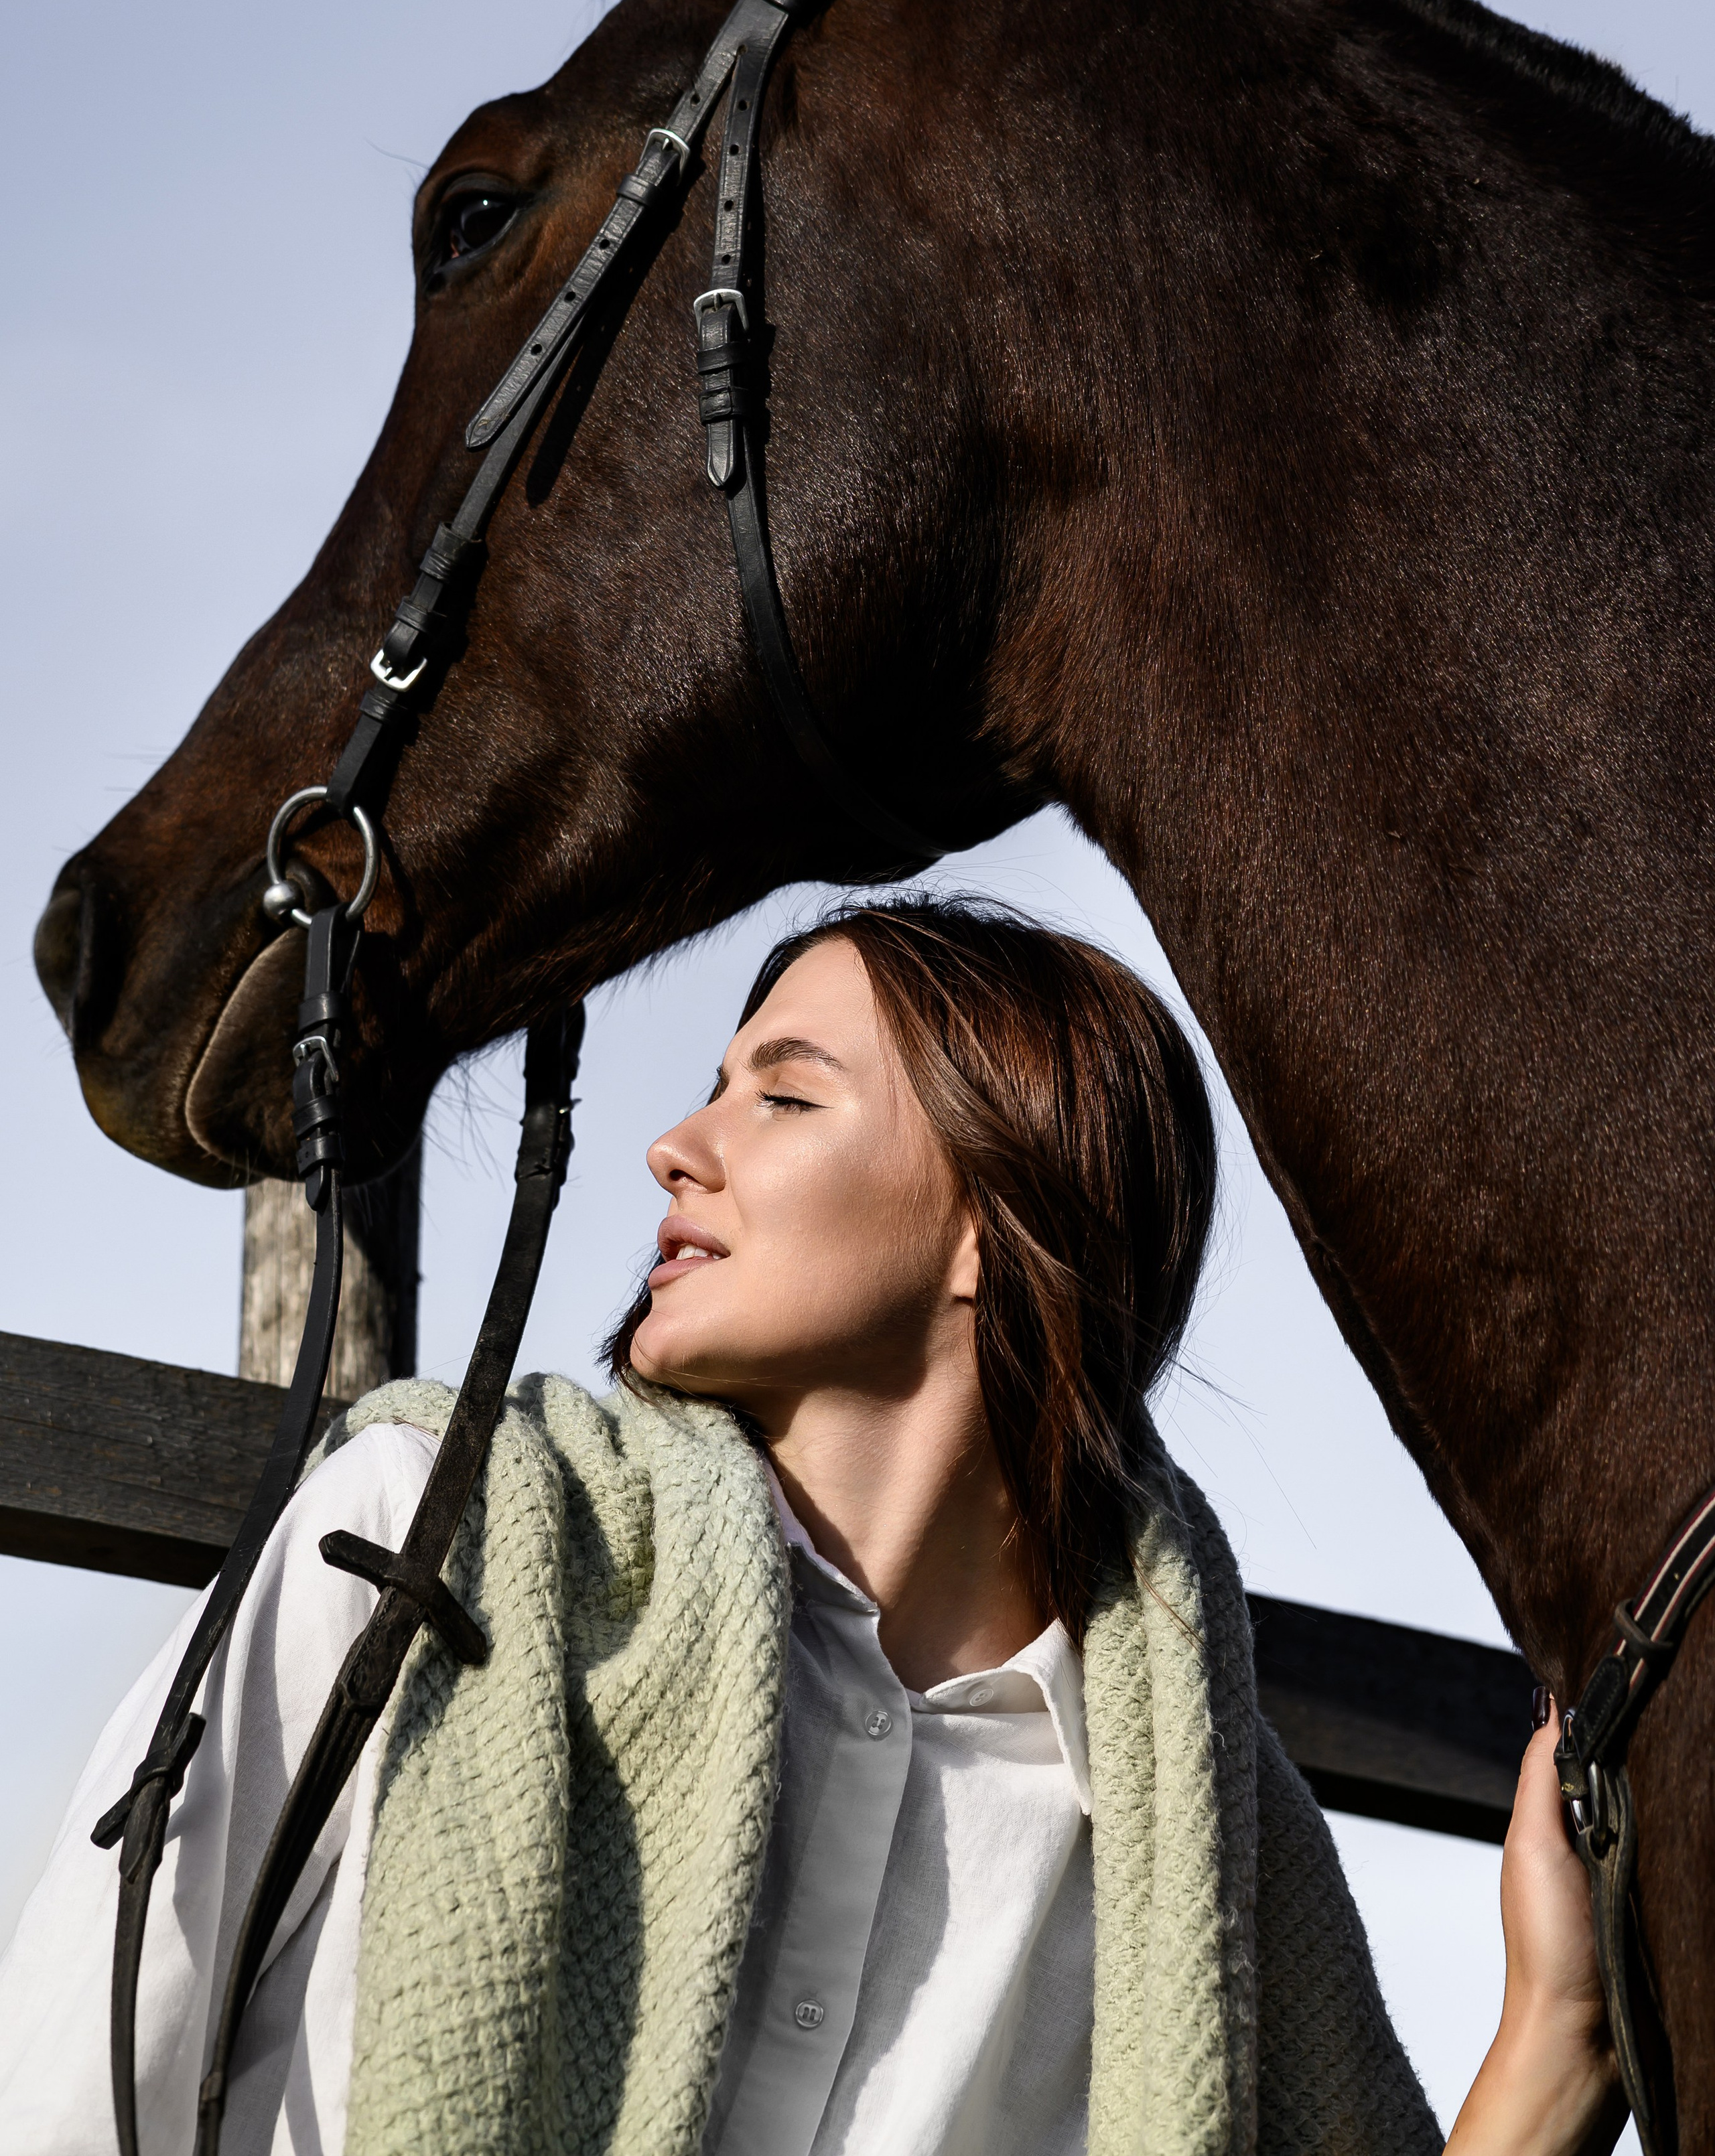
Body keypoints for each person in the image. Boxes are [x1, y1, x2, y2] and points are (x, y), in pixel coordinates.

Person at [0, 899, 1623, 2155]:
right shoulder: (427, 1539)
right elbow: (63, 2094)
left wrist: (1555, 2035)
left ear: (994, 1221)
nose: (674, 1145)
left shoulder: (1182, 1819)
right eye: (717, 1086)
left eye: (781, 1095)